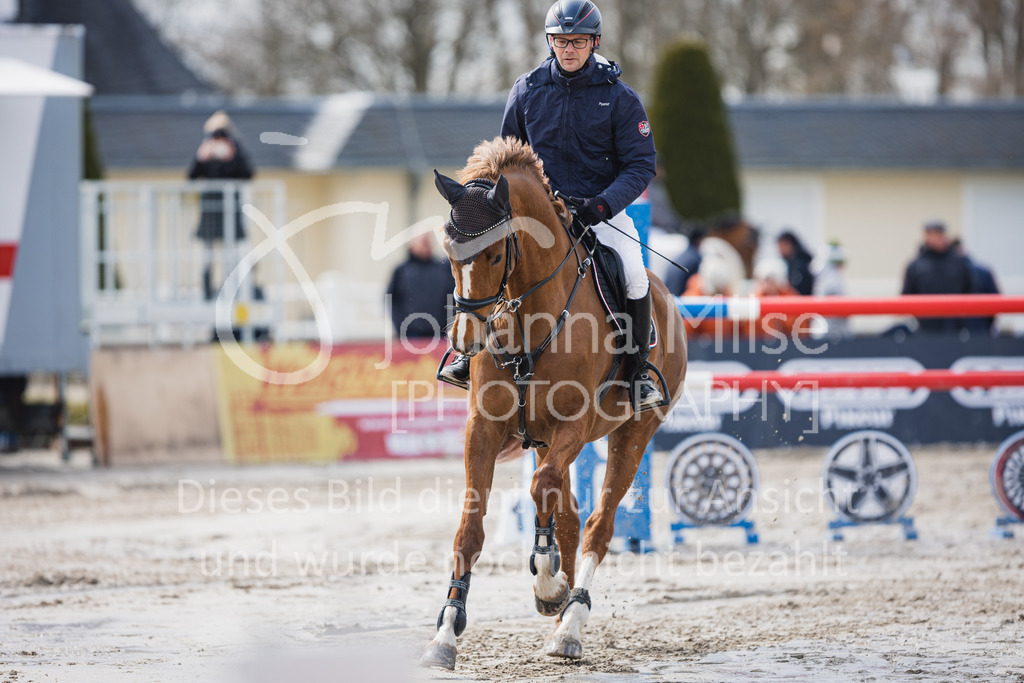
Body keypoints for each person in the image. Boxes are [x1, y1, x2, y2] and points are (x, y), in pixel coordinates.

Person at [440, 0, 663, 411]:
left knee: (633, 273)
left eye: (577, 41)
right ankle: (464, 352)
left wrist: (602, 205)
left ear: (594, 42)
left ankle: (638, 373)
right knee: (477, 252)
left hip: (598, 212)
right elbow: (504, 156)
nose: (568, 49)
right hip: (536, 217)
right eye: (560, 41)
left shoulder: (619, 98)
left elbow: (640, 164)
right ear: (550, 42)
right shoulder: (527, 90)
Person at [188, 111, 254, 300]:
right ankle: (207, 291)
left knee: (230, 252)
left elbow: (248, 174)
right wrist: (202, 158)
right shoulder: (205, 149)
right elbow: (192, 176)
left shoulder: (236, 148)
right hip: (210, 206)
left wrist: (232, 158)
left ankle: (230, 288)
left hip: (230, 206)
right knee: (208, 252)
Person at [901, 221, 976, 333]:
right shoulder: (916, 266)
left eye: (938, 234)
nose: (935, 238)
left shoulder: (959, 262)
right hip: (925, 330)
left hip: (955, 329)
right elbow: (907, 296)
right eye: (931, 234)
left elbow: (971, 290)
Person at [386, 232, 456, 340]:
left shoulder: (442, 269)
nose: (428, 246)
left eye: (429, 242)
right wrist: (400, 327)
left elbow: (453, 297)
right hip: (411, 334)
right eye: (424, 242)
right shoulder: (401, 270)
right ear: (412, 244)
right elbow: (391, 300)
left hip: (441, 334)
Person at [951, 238, 999, 333]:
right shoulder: (984, 272)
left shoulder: (949, 273)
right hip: (981, 329)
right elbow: (996, 302)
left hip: (957, 332)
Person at [813, 241, 851, 339]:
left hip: (823, 330)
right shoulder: (833, 279)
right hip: (832, 332)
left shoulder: (824, 277)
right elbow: (841, 307)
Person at [664, 228, 705, 296]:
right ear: (699, 240)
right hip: (681, 300)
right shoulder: (695, 258)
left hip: (669, 296)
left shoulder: (683, 256)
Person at [776, 230, 815, 295]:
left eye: (781, 246)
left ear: (789, 244)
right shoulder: (792, 262)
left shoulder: (800, 264)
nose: (779, 250)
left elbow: (800, 292)